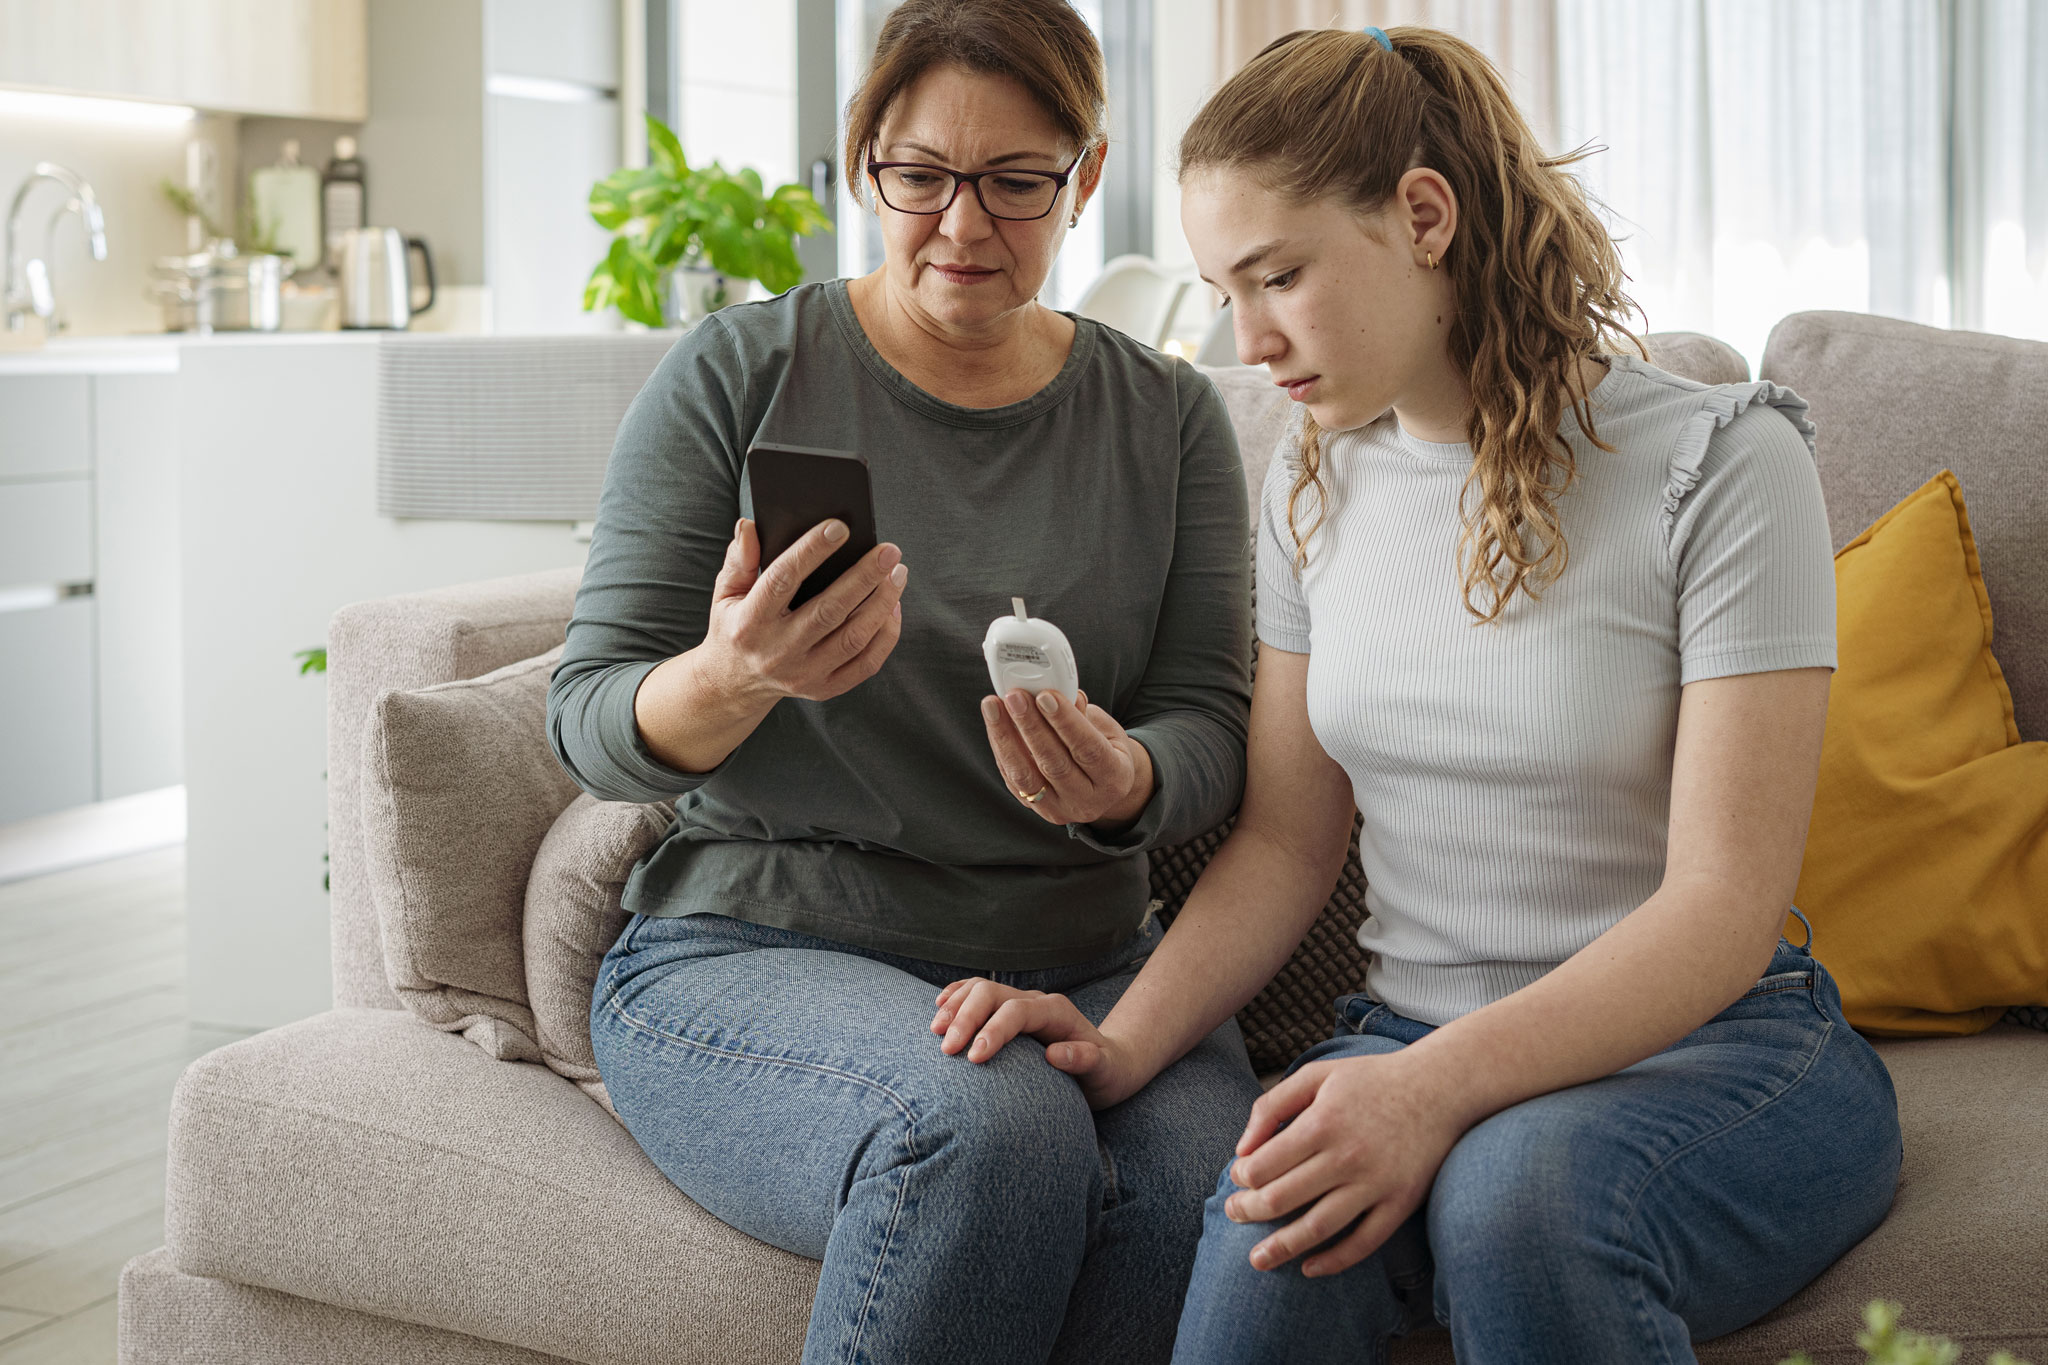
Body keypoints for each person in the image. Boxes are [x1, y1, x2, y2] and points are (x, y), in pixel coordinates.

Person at [928, 24, 1903, 1364]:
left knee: (1519, 1200)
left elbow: (1722, 909)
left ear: (1424, 216)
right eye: (1226, 290)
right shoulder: (1313, 480)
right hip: (1402, 1037)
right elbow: (1286, 841)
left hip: (1715, 1050)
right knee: (1272, 1255)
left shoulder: (1725, 463)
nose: (1251, 338)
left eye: (1281, 275)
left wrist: (1429, 1092)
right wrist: (1116, 1042)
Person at [546, 1, 1263, 1360]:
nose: (964, 227)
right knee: (987, 1126)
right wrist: (735, 674)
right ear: (864, 160)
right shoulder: (741, 374)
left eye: (1016, 183)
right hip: (757, 947)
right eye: (921, 175)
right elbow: (588, 719)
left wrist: (1134, 780)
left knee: (1194, 1186)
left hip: (1091, 956)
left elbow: (1212, 731)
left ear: (1087, 178)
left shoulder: (1167, 420)